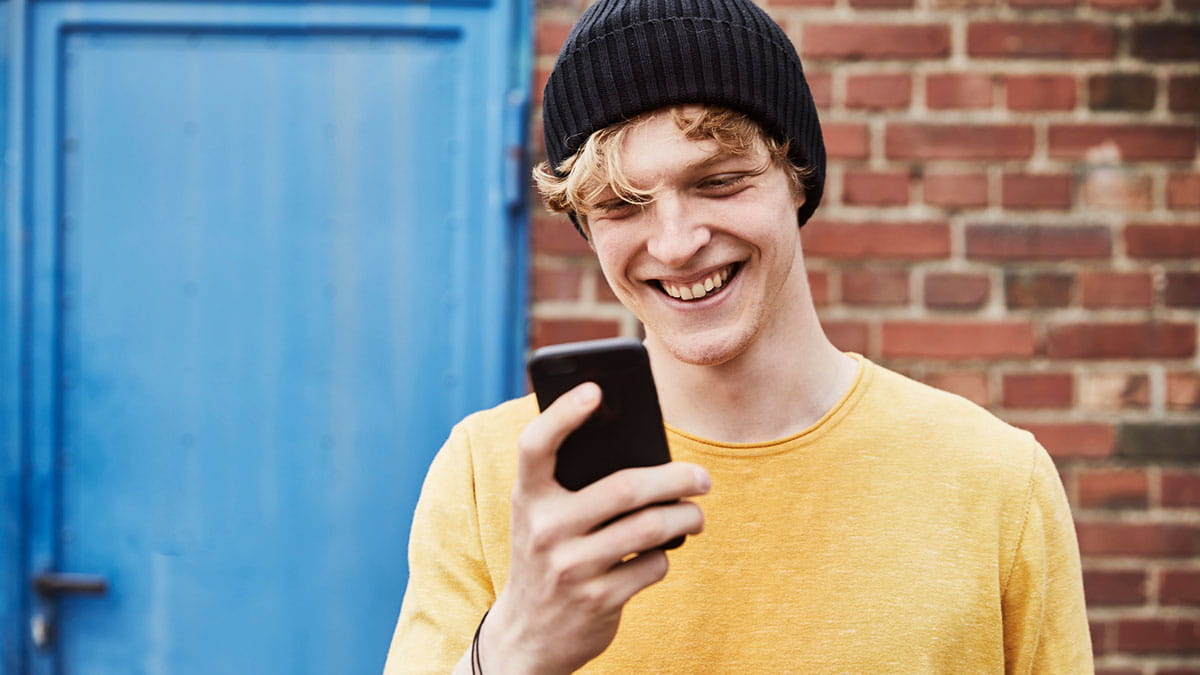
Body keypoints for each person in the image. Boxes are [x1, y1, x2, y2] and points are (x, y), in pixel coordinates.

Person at [384, 0, 1093, 671]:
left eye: (719, 181)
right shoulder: (488, 476)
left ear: (797, 177)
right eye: (621, 204)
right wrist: (515, 649)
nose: (677, 241)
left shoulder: (997, 481)